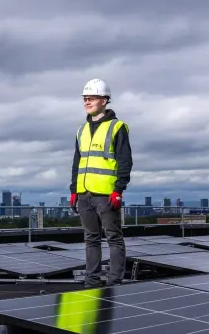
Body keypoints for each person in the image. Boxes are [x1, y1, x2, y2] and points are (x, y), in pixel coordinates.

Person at [69, 78, 133, 288]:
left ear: (104, 100)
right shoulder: (81, 130)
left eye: (92, 98)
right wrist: (73, 190)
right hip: (84, 194)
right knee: (91, 239)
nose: (87, 102)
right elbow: (77, 161)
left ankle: (114, 282)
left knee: (113, 237)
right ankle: (91, 281)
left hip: (106, 194)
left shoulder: (117, 127)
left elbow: (125, 161)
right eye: (85, 98)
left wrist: (118, 189)